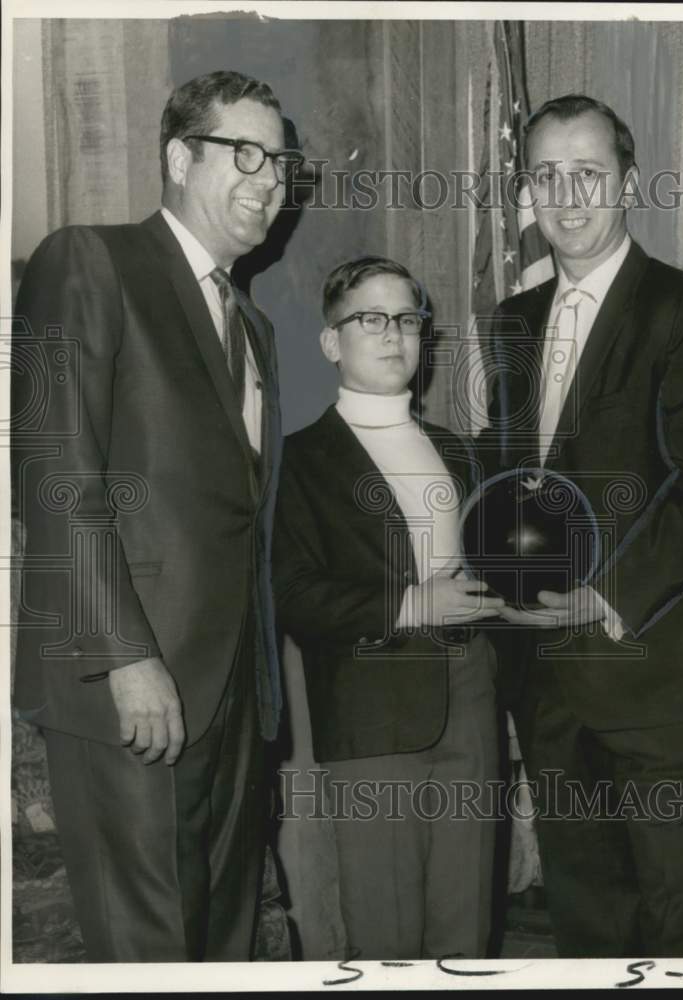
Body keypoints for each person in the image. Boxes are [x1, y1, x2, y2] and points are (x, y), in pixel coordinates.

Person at [11, 70, 303, 962]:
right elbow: (55, 471)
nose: (269, 180)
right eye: (244, 152)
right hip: (127, 684)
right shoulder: (89, 260)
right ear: (180, 156)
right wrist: (127, 655)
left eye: (282, 163)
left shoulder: (253, 326)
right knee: (147, 950)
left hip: (232, 697)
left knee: (218, 942)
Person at [486, 94, 683, 957]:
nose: (567, 196)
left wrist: (601, 598)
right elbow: (513, 481)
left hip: (660, 682)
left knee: (681, 929)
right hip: (550, 685)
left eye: (588, 173)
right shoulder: (513, 322)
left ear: (628, 183)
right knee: (588, 927)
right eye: (547, 176)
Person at [272, 256, 505, 960]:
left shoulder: (458, 453)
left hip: (471, 697)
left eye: (407, 319)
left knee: (466, 926)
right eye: (370, 318)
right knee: (386, 935)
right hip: (371, 715)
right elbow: (292, 594)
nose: (393, 334)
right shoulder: (297, 461)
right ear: (331, 342)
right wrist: (413, 602)